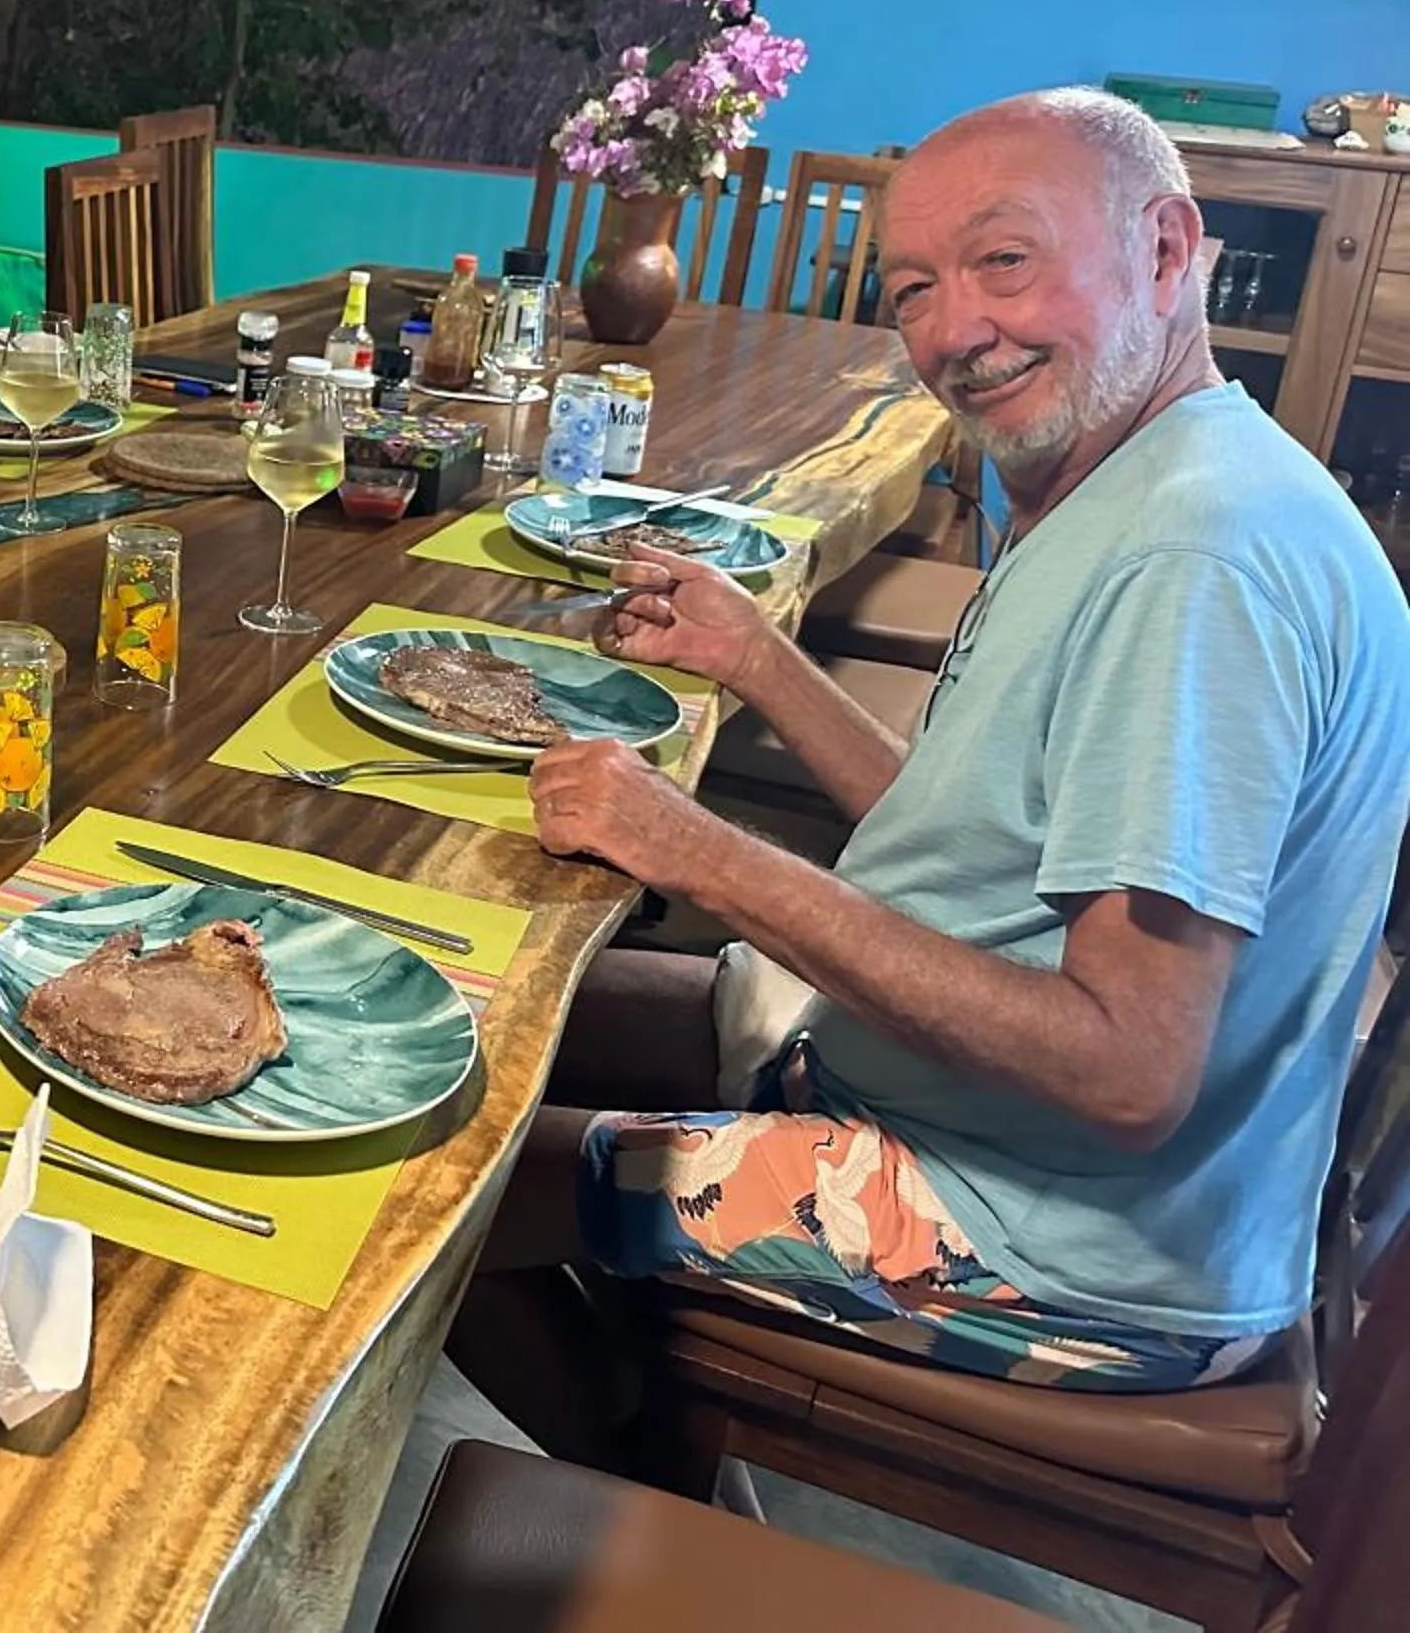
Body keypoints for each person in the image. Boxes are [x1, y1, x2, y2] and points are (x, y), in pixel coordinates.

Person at [459, 87, 1410, 1449]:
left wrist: (705, 853)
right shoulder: (1153, 471)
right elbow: (981, 833)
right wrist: (764, 661)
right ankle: (635, 1415)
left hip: (1064, 1245)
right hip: (974, 1115)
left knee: (429, 1168)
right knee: (486, 1007)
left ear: (1163, 248)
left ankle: (638, 1489)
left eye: (1005, 261)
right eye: (913, 288)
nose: (956, 330)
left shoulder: (1195, 561)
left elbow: (1130, 1070)